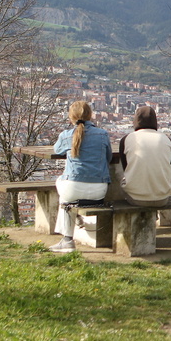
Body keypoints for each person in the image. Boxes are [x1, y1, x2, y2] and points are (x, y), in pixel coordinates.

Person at [50, 101, 112, 253]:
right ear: (90, 115)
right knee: (66, 197)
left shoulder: (66, 136)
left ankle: (67, 239)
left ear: (71, 117)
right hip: (100, 190)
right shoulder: (103, 135)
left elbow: (57, 150)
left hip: (73, 189)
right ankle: (73, 219)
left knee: (62, 188)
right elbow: (108, 157)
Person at [119, 106, 171, 207]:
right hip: (162, 198)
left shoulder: (127, 139)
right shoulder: (166, 139)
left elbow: (126, 168)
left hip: (135, 197)